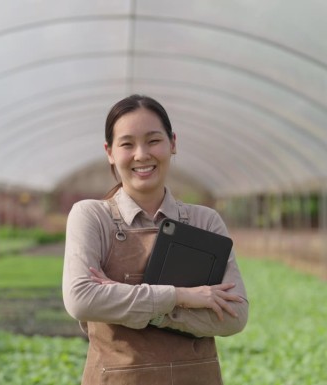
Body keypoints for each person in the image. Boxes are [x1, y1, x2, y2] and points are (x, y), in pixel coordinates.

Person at [62, 94, 248, 384]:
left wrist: (149, 312)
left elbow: (234, 315)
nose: (141, 154)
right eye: (127, 144)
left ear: (172, 143)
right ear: (110, 152)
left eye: (153, 140)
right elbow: (82, 299)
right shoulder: (92, 217)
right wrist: (183, 297)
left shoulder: (205, 221)